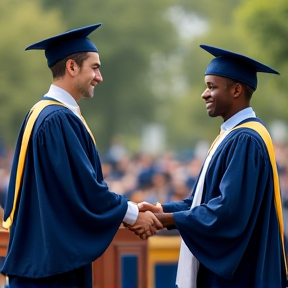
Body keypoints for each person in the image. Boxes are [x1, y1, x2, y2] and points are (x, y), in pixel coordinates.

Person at [0, 23, 162, 288]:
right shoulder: (56, 120)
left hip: (43, 263)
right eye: (95, 68)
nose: (99, 77)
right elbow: (83, 190)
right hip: (51, 273)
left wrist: (129, 210)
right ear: (72, 67)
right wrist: (132, 214)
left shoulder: (44, 114)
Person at [130, 45, 288, 287]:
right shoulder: (230, 136)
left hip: (239, 275)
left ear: (236, 90)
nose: (204, 94)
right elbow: (201, 202)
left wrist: (166, 218)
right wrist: (161, 209)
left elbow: (227, 212)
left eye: (212, 87)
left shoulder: (246, 140)